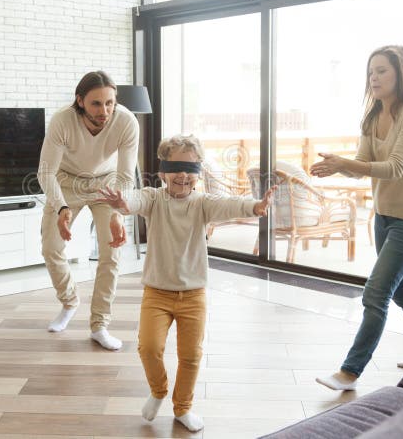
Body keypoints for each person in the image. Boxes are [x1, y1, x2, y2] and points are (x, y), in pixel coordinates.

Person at [97, 134, 276, 432]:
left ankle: (183, 407)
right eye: (175, 166)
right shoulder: (154, 199)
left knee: (191, 356)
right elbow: (134, 200)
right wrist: (122, 203)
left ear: (199, 173)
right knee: (148, 347)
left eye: (190, 167)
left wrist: (256, 206)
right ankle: (158, 391)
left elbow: (230, 204)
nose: (182, 174)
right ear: (163, 172)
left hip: (194, 295)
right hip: (157, 292)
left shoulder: (202, 203)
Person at [310, 45, 403, 391]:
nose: (374, 77)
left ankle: (349, 372)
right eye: (371, 71)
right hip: (384, 217)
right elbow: (362, 167)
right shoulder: (372, 117)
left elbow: (395, 168)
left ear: (402, 74)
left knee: (375, 293)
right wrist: (338, 168)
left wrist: (345, 163)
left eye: (382, 71)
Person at [37, 71, 139, 351]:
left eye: (110, 103)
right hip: (67, 182)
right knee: (51, 247)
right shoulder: (62, 121)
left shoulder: (126, 121)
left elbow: (126, 175)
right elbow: (46, 171)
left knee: (112, 252)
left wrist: (118, 212)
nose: (104, 111)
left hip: (108, 185)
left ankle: (99, 325)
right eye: (96, 103)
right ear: (80, 100)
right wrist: (61, 208)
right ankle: (69, 302)